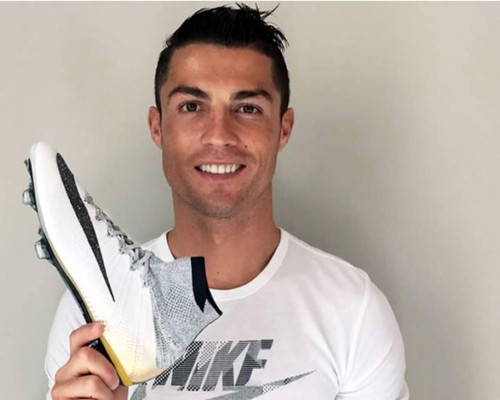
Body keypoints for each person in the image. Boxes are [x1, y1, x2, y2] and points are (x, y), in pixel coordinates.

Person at [45, 4, 409, 400]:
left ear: (283, 129)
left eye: (248, 108)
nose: (219, 135)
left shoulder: (352, 311)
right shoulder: (92, 313)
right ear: (157, 127)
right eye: (191, 107)